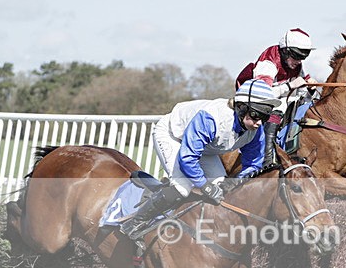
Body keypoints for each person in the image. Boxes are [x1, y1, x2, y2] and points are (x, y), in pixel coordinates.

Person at [120, 79, 281, 238]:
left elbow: (253, 163)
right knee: (182, 187)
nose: (259, 123)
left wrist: (237, 181)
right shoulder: (212, 119)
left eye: (264, 117)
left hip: (203, 149)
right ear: (241, 108)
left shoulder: (255, 131)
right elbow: (188, 158)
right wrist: (204, 185)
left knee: (223, 190)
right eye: (255, 115)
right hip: (173, 136)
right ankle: (135, 223)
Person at [235, 28, 318, 166]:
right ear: (285, 51)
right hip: (252, 101)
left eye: (302, 57)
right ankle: (267, 162)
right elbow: (262, 95)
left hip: (274, 101)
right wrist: (290, 86)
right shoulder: (269, 62)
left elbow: (302, 95)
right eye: (296, 56)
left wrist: (310, 90)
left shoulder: (295, 64)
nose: (299, 61)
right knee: (275, 112)